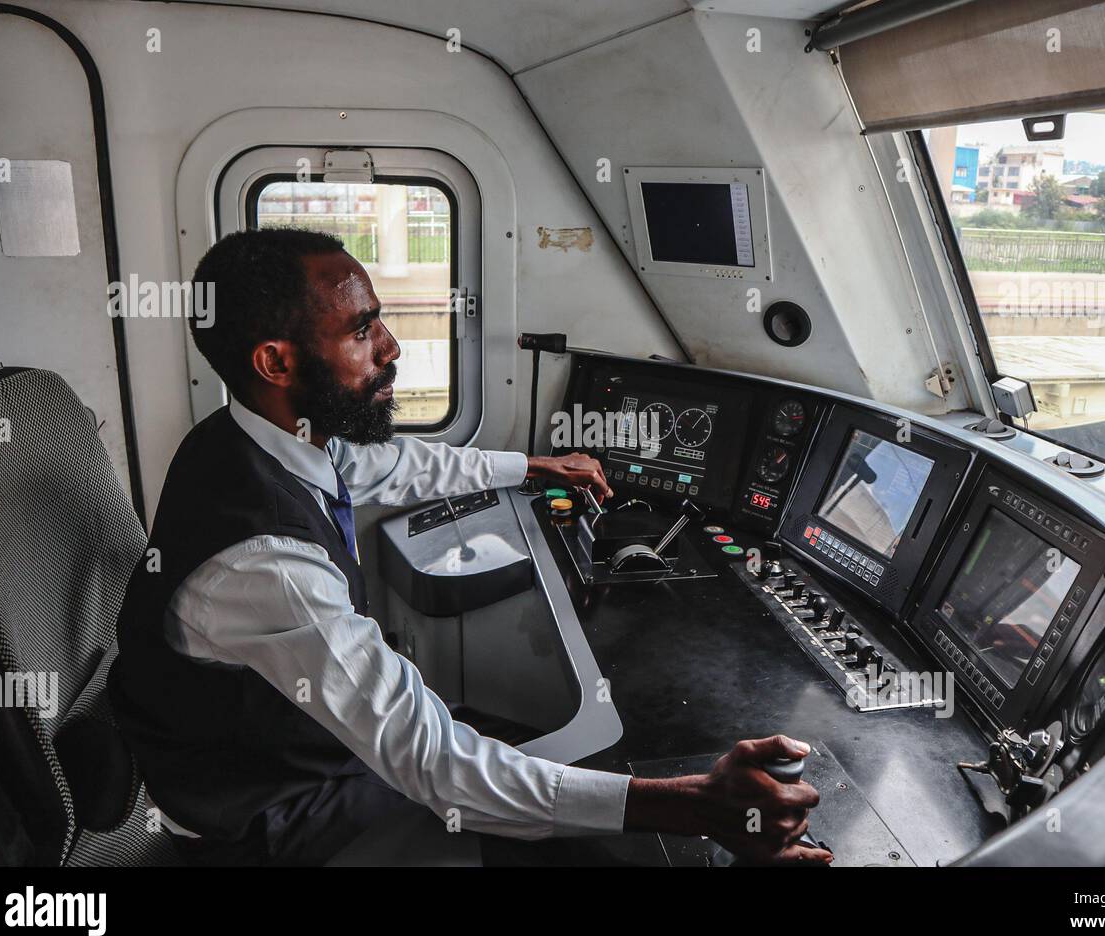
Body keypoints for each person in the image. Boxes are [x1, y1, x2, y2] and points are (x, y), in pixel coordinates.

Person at [110, 227, 830, 866]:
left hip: (304, 751)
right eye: (363, 331)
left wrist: (535, 467)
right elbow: (431, 761)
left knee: (544, 766)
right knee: (603, 836)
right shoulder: (266, 565)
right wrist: (696, 804)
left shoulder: (255, 437)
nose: (391, 347)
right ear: (277, 362)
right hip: (274, 815)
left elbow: (397, 465)